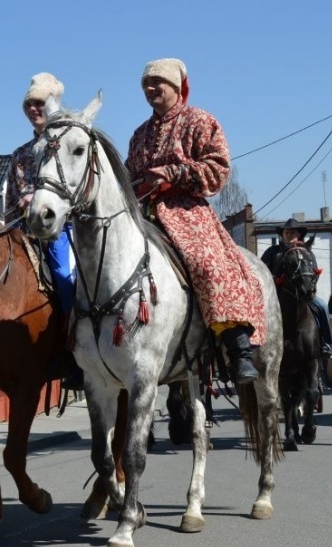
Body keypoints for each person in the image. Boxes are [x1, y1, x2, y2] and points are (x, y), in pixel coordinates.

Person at [125, 58, 266, 384]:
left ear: (175, 86)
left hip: (186, 211)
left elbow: (218, 169)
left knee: (209, 262)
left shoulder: (200, 121)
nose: (149, 89)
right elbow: (129, 175)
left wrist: (173, 174)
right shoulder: (139, 134)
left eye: (155, 83)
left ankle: (237, 345)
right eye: (145, 85)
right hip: (144, 211)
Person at [5, 72, 85, 391]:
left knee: (65, 279)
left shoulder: (66, 144)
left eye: (39, 103)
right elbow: (15, 195)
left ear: (51, 105)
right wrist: (25, 204)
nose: (34, 109)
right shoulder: (20, 154)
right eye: (29, 104)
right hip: (23, 229)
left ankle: (74, 352)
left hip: (56, 232)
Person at [260, 217, 332, 369]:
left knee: (323, 306)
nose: (288, 234)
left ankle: (326, 344)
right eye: (286, 232)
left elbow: (315, 272)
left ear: (299, 234)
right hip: (276, 296)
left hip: (302, 295)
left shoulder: (307, 251)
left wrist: (307, 286)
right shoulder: (273, 252)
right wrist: (274, 279)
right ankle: (254, 347)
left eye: (292, 232)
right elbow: (262, 271)